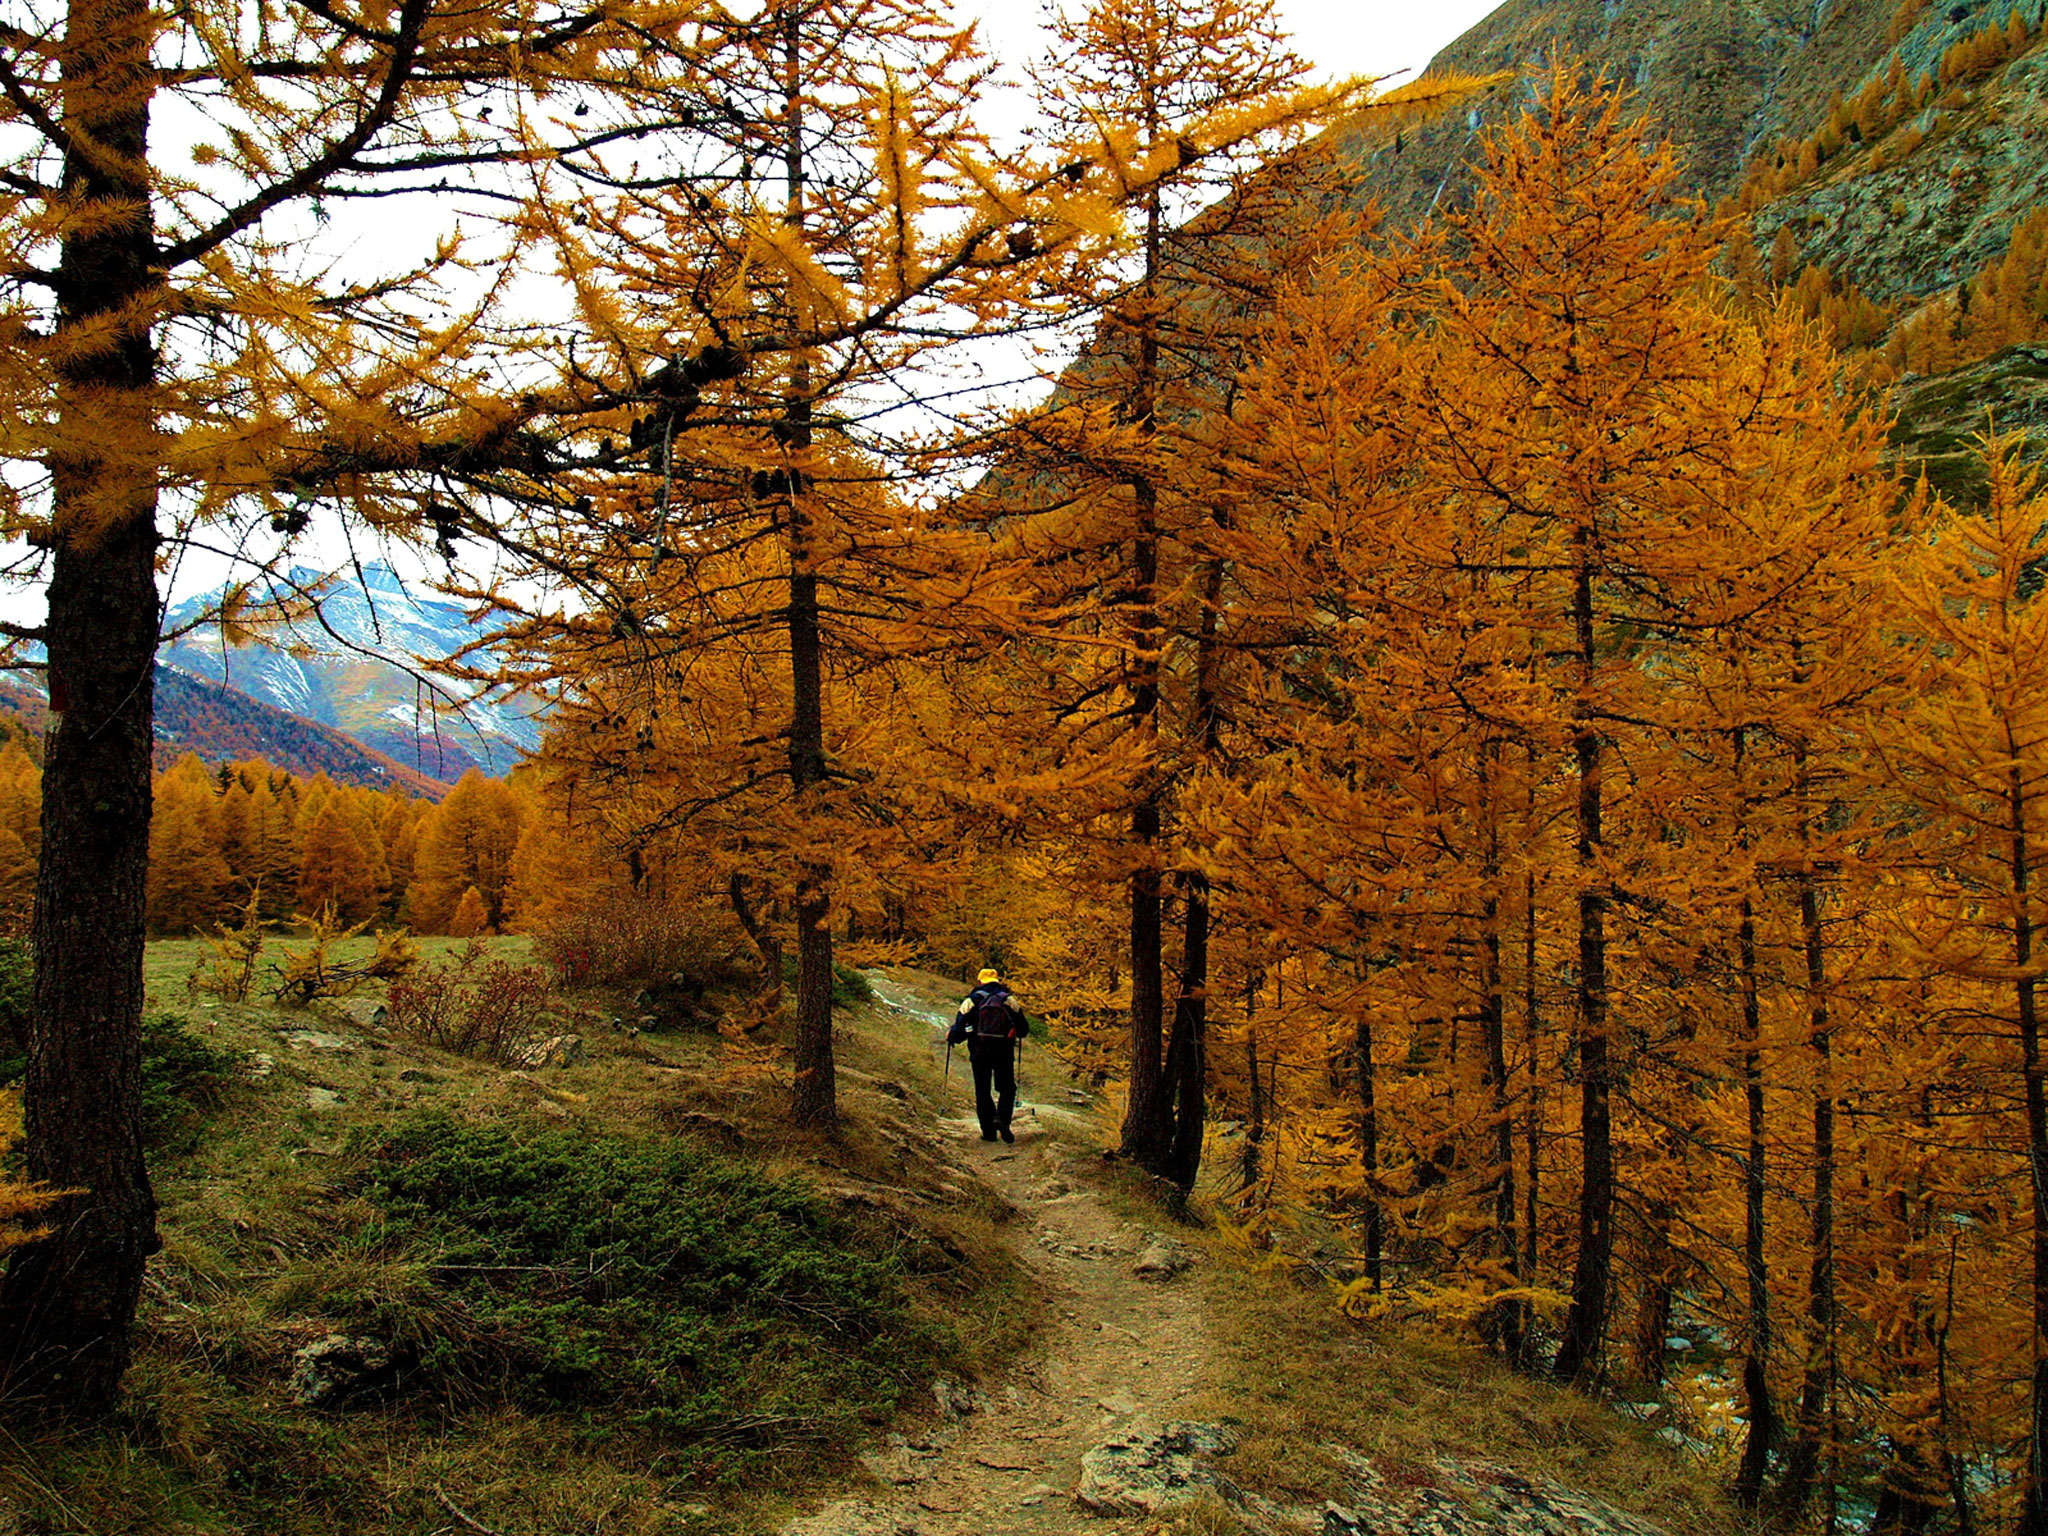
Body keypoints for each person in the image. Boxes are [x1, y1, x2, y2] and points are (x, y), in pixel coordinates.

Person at [948, 967, 1028, 1142]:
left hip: (979, 1052)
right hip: (1003, 1052)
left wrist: (952, 1036)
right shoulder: (1009, 1000)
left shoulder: (971, 1001)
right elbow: (1024, 1030)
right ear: (997, 981)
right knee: (1007, 1088)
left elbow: (959, 1031)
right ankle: (1003, 1121)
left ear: (979, 982)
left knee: (982, 1090)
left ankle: (988, 1132)